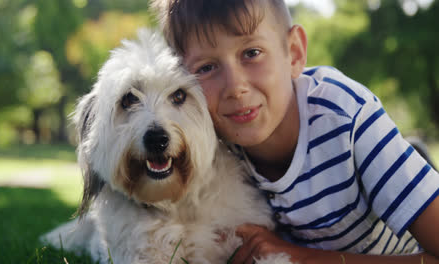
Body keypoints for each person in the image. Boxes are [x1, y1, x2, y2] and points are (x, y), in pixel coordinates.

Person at [151, 0, 439, 263]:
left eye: (252, 53)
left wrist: (300, 257)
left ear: (294, 53)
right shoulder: (214, 144)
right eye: (207, 67)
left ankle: (412, 160)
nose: (235, 87)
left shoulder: (346, 118)